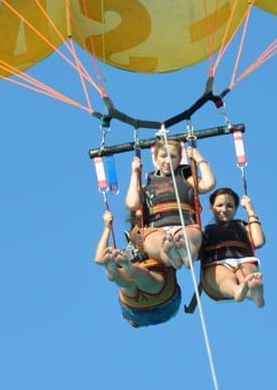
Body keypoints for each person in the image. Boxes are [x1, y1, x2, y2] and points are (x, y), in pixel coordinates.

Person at [124, 137, 215, 269]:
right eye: (163, 156)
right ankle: (169, 254)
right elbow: (132, 203)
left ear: (179, 159)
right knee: (161, 242)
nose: (167, 161)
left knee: (184, 238)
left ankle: (186, 253)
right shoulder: (146, 185)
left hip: (185, 226)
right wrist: (134, 174)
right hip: (156, 229)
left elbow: (209, 183)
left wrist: (198, 158)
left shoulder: (188, 179)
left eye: (172, 157)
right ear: (155, 159)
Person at [94, 210, 181, 328]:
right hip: (163, 301)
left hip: (134, 309)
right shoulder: (157, 241)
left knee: (129, 284)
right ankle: (123, 270)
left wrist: (107, 228)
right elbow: (99, 259)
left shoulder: (132, 250)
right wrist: (107, 228)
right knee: (147, 280)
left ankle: (115, 273)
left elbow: (99, 259)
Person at [200, 187, 266, 308]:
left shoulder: (243, 226)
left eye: (229, 206)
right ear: (211, 207)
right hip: (216, 263)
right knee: (225, 278)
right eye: (219, 205)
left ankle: (254, 292)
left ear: (236, 209)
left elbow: (259, 241)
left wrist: (250, 210)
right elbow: (194, 253)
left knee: (247, 275)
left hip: (243, 260)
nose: (224, 210)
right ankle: (238, 290)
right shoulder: (204, 232)